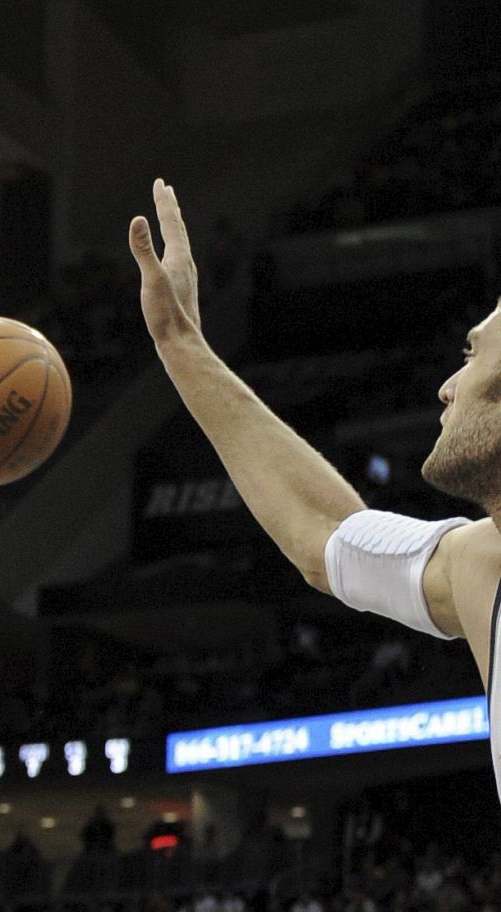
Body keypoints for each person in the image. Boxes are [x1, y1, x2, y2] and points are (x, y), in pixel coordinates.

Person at [130, 178, 501, 798]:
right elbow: (326, 539)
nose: (447, 386)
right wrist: (181, 346)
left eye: (473, 355)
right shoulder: (481, 566)